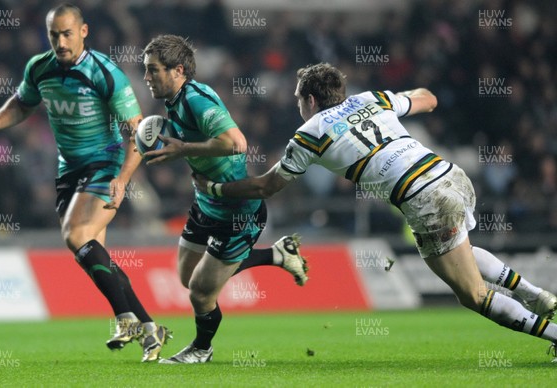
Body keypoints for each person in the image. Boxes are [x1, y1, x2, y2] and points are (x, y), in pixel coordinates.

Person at [193, 62, 557, 361]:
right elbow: (428, 99)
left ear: (310, 99)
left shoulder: (309, 134)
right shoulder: (371, 99)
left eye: (298, 100)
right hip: (451, 175)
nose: (297, 107)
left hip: (423, 197)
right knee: (462, 250)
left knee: (471, 295)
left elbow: (264, 187)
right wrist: (410, 97)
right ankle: (535, 295)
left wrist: (214, 188)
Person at [0, 3, 169, 363]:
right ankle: (150, 328)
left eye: (67, 33)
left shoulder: (106, 73)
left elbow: (139, 132)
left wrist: (123, 179)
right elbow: (22, 103)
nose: (60, 41)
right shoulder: (39, 67)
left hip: (104, 165)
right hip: (68, 172)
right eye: (54, 35)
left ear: (84, 31)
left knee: (76, 237)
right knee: (91, 254)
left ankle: (125, 319)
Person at [140, 34, 309, 364]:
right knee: (188, 277)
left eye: (152, 70)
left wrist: (184, 150)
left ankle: (202, 349)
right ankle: (276, 255)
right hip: (205, 203)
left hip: (237, 211)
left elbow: (236, 143)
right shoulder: (173, 101)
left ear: (178, 70)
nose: (146, 77)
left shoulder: (197, 99)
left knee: (201, 292)